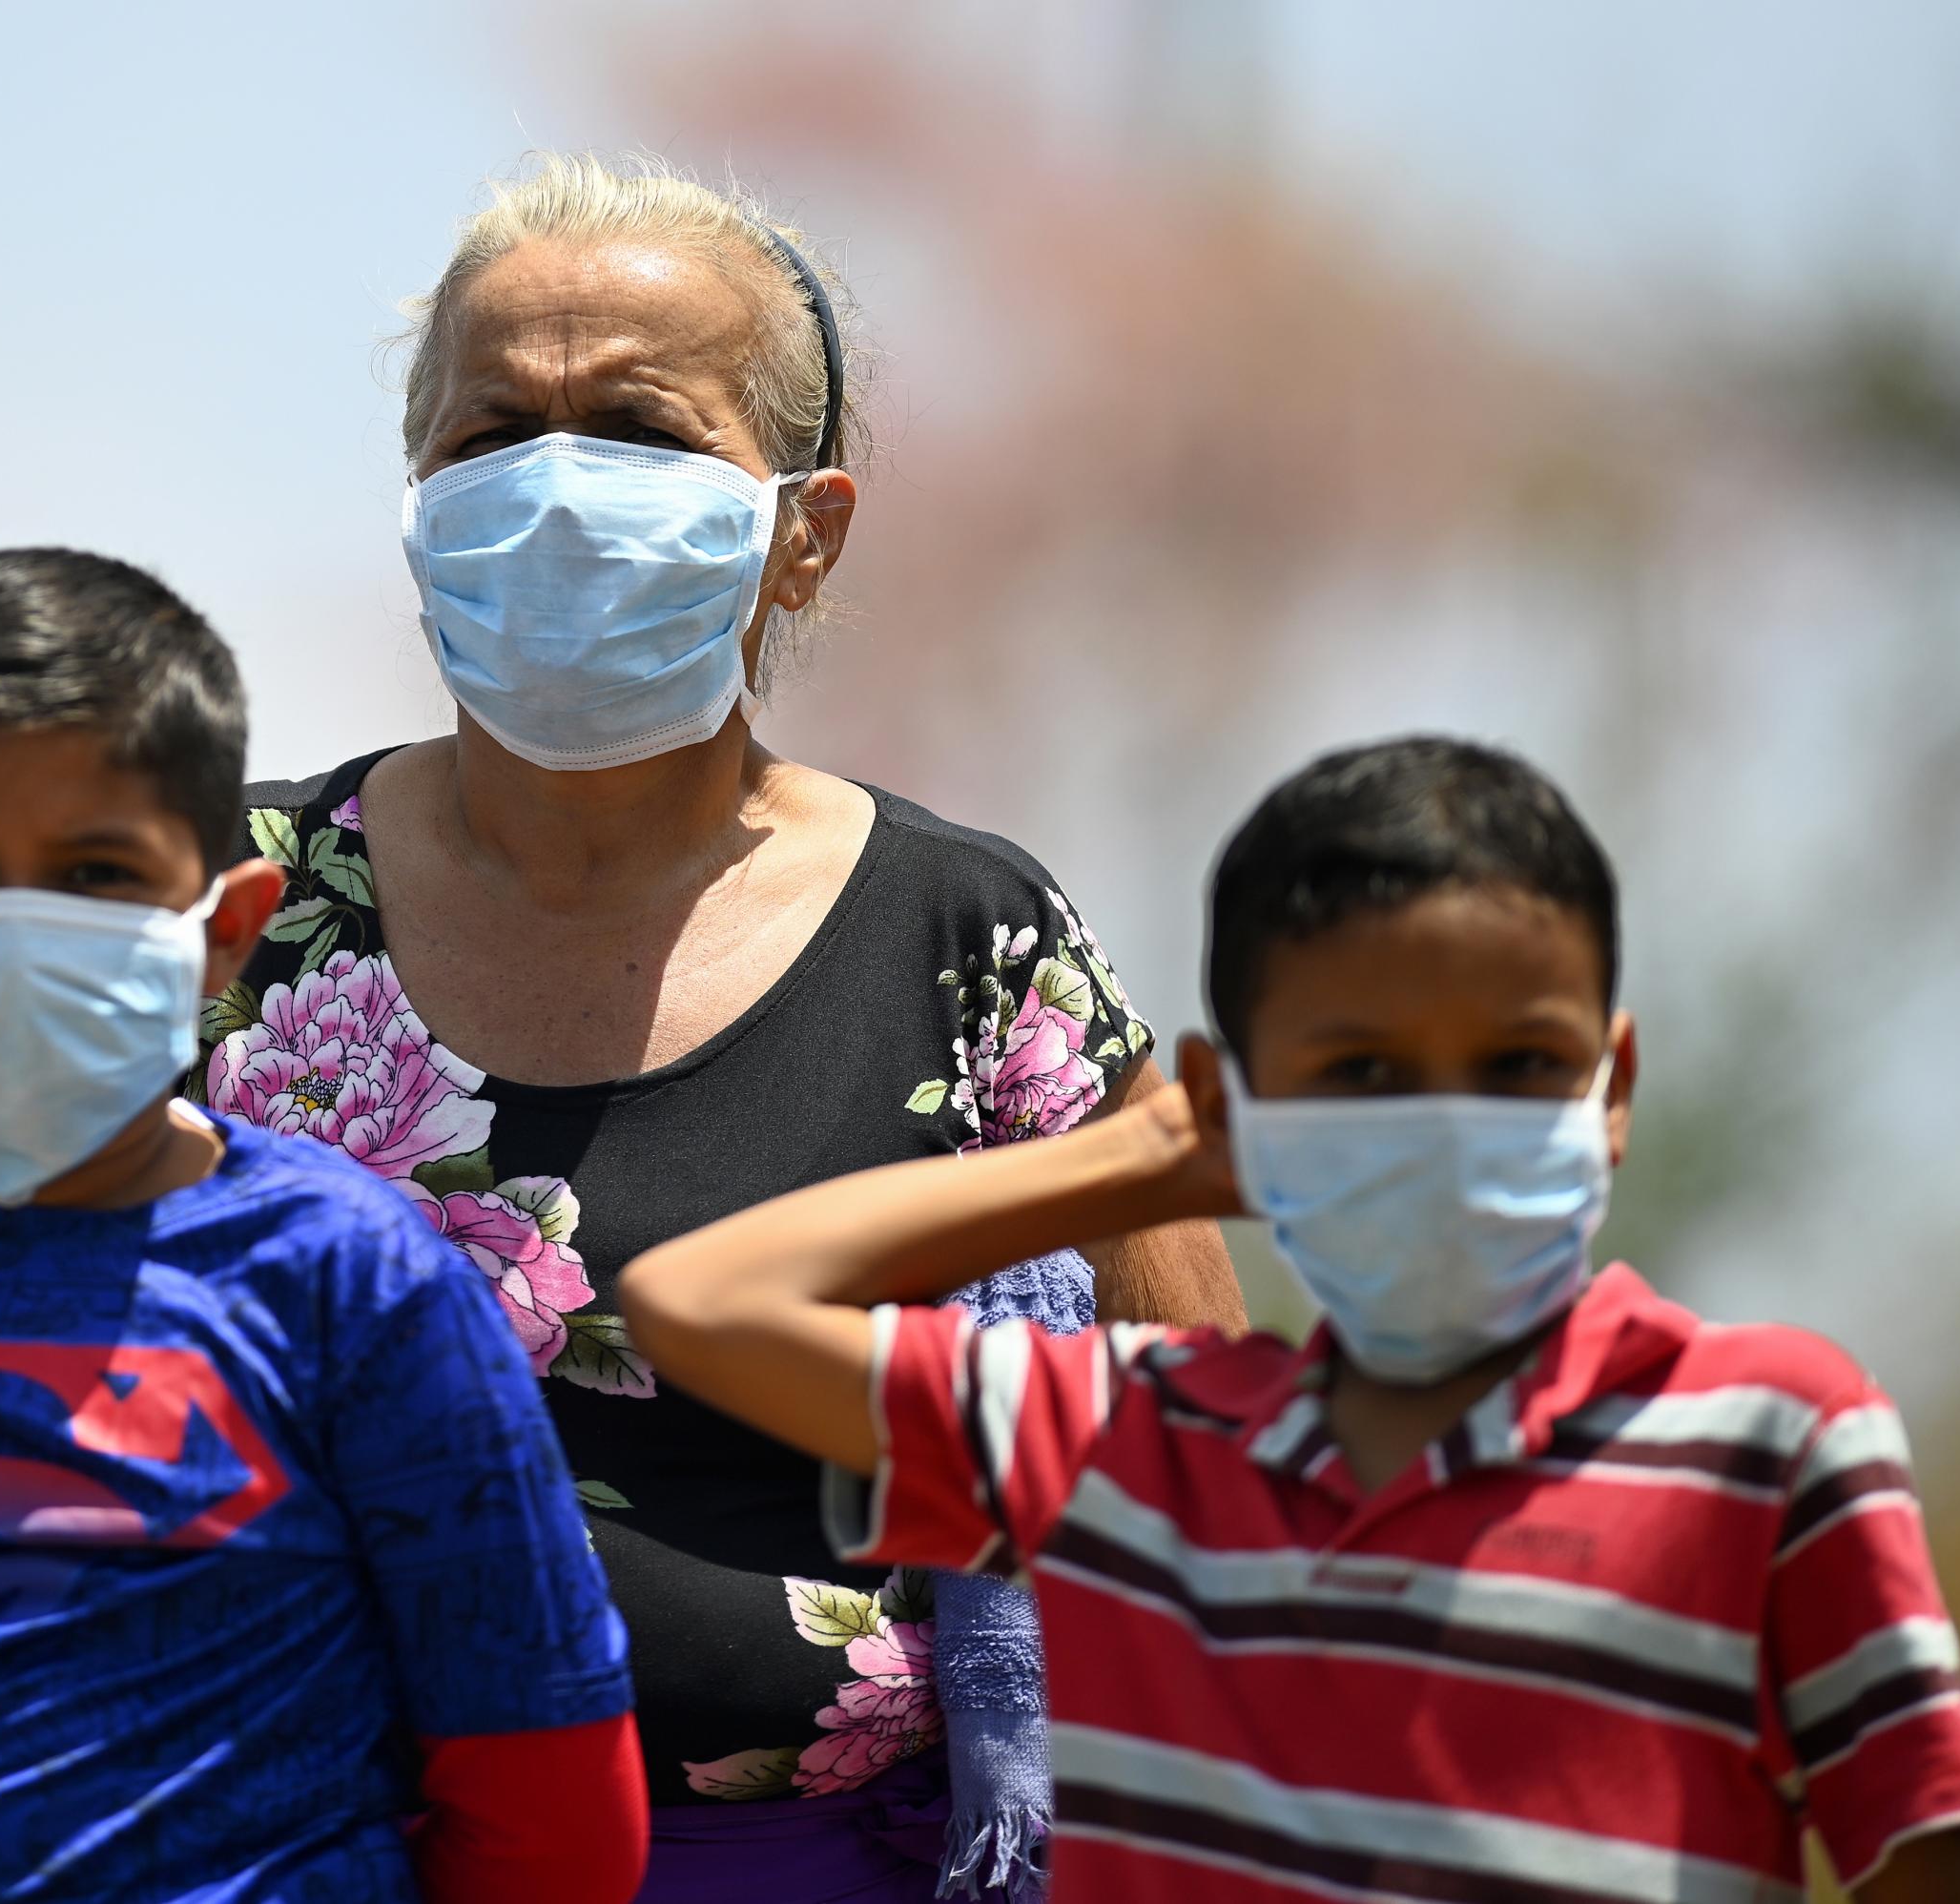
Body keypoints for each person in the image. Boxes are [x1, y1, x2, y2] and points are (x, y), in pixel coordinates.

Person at [193, 154, 1242, 1901]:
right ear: (415, 499)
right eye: (488, 435)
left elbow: (1201, 1461)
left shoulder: (970, 941)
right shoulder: (224, 910)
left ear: (802, 529)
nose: (550, 491)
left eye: (638, 431)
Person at [621, 736, 1960, 1903]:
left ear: (1617, 1081)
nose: (1444, 1124)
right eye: (1362, 1073)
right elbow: (704, 1305)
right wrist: (1134, 1155)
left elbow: (1928, 1864)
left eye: (1522, 1062)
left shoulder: (1771, 1437)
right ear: (1231, 1110)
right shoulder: (1133, 1449)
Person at [0, 549, 648, 1904]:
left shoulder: (354, 1284)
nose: (19, 930)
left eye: (94, 873)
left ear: (225, 934)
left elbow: (542, 1789)